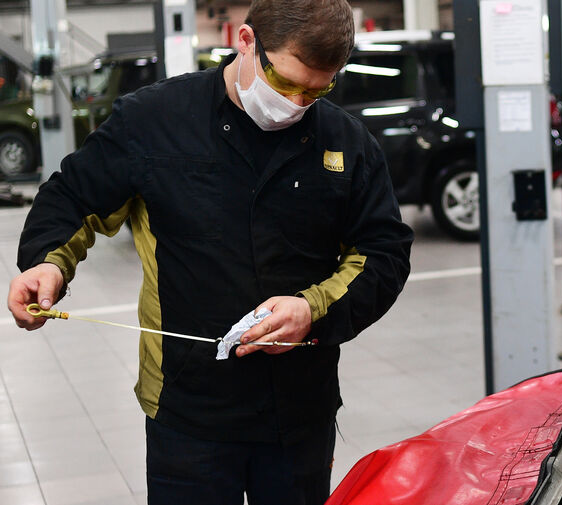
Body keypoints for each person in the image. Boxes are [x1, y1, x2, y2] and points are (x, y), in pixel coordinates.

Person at [5, 0, 413, 503]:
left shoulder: (346, 142)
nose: (296, 103)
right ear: (245, 41)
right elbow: (74, 197)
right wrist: (48, 260)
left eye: (316, 90)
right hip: (185, 409)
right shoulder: (154, 120)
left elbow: (384, 251)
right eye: (285, 83)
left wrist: (312, 309)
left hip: (298, 410)